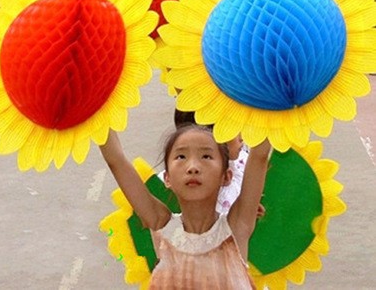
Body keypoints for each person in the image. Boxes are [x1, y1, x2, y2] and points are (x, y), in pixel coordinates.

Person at [100, 124, 271, 289]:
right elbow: (116, 160)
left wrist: (271, 107)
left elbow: (259, 156)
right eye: (181, 157)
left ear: (226, 176)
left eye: (206, 156)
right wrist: (98, 111)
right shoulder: (162, 225)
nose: (193, 167)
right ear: (167, 178)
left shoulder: (236, 227)